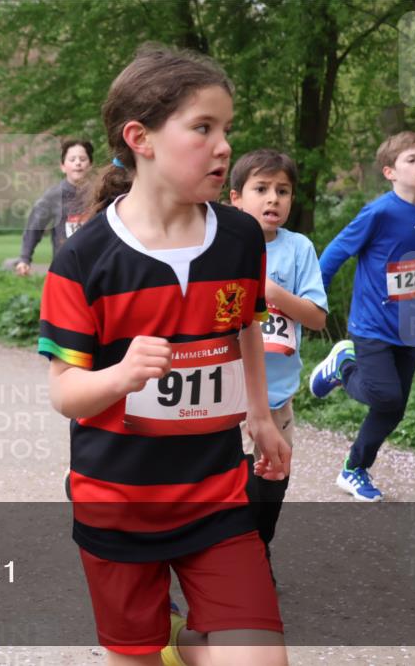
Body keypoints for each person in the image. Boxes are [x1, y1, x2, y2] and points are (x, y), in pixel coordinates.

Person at [38, 45, 289, 666]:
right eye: (203, 128)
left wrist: (259, 415)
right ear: (140, 138)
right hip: (116, 504)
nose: (224, 145)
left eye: (226, 129)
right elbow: (64, 393)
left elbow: (245, 328)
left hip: (217, 496)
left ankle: (189, 640)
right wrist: (121, 376)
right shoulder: (83, 259)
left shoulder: (237, 236)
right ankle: (172, 643)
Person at [312, 130, 415, 501]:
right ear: (390, 172)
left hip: (411, 324)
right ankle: (343, 366)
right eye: (411, 160)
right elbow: (336, 252)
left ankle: (353, 469)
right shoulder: (379, 212)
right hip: (372, 323)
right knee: (384, 395)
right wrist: (314, 299)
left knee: (394, 409)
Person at [228, 149, 327, 566]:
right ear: (236, 198)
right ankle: (234, 562)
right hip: (228, 398)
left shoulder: (298, 248)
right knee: (230, 488)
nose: (273, 199)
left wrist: (275, 294)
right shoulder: (222, 244)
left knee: (272, 484)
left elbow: (318, 319)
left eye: (282, 191)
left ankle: (259, 547)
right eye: (262, 189)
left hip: (277, 397)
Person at [15, 139, 94, 276]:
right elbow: (34, 227)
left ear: (90, 165)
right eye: (72, 159)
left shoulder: (101, 194)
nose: (78, 163)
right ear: (62, 166)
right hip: (65, 267)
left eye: (82, 159)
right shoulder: (53, 196)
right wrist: (24, 259)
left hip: (96, 265)